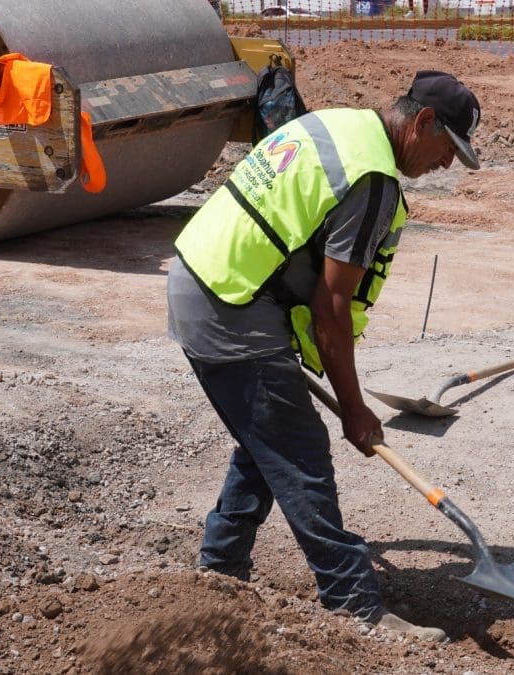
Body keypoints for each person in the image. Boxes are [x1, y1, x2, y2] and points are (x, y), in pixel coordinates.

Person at [167, 70, 481, 641]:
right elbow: (332, 308)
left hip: (206, 276)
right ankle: (354, 604)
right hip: (231, 302)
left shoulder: (345, 126)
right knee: (302, 449)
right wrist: (354, 409)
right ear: (424, 122)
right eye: (448, 149)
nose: (447, 165)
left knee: (269, 437)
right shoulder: (373, 179)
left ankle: (219, 569)